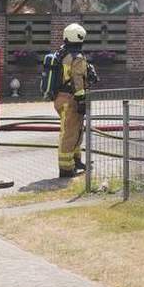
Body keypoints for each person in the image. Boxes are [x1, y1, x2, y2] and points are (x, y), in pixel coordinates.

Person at [53, 23, 90, 178]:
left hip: (61, 98)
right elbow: (77, 81)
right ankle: (66, 168)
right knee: (69, 133)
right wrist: (81, 100)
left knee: (76, 131)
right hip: (71, 99)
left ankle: (76, 160)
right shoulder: (77, 57)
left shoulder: (62, 54)